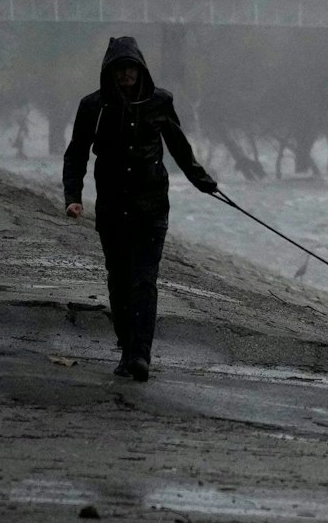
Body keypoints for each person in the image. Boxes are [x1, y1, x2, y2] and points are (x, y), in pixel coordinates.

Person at [62, 36, 219, 381]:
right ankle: (126, 348)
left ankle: (140, 355)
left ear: (141, 69)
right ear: (109, 72)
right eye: (119, 69)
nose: (126, 74)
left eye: (131, 68)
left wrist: (202, 180)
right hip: (112, 207)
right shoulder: (93, 106)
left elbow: (178, 145)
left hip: (152, 208)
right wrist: (73, 196)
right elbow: (76, 153)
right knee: (119, 280)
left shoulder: (160, 101)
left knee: (144, 281)